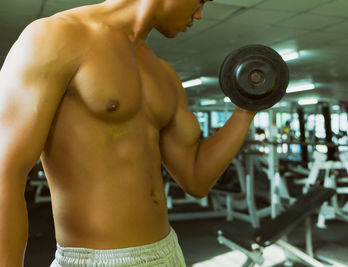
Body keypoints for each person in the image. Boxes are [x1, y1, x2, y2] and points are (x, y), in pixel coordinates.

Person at [0, 0, 258, 266]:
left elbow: (196, 177)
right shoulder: (55, 37)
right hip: (97, 259)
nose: (201, 13)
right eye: (201, 0)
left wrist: (247, 108)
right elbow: (5, 172)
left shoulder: (164, 73)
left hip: (169, 252)